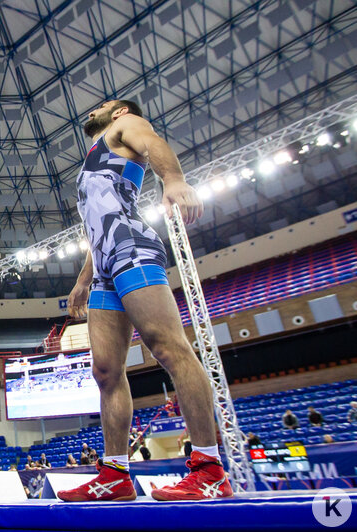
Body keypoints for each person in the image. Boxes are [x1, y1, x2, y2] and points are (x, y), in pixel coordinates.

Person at [58, 100, 232, 503]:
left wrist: (172, 179)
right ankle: (115, 475)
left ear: (118, 110)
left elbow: (153, 142)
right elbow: (98, 221)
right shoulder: (95, 155)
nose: (91, 110)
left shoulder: (127, 125)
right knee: (105, 371)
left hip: (132, 249)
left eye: (99, 106)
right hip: (103, 265)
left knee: (169, 347)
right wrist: (84, 279)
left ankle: (209, 468)